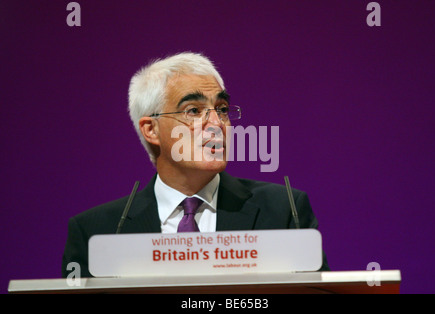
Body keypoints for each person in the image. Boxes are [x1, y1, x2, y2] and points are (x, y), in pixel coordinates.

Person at [62, 52, 329, 277]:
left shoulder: (284, 212)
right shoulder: (98, 232)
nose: (217, 124)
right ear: (151, 129)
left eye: (222, 109)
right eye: (193, 111)